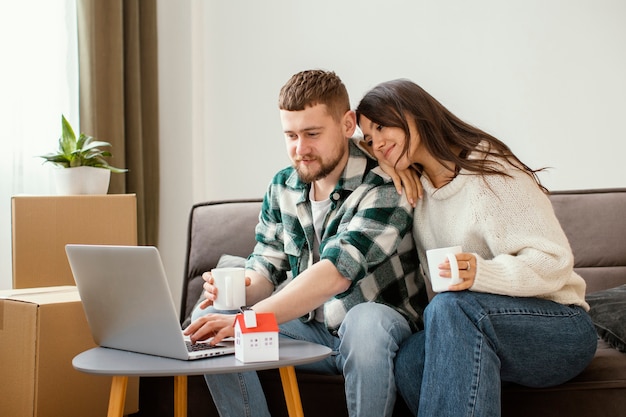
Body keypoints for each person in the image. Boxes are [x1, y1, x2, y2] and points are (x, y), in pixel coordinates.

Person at [184, 70, 427, 417]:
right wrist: (237, 290)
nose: (300, 149)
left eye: (312, 134)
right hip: (309, 329)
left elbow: (336, 273)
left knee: (365, 321)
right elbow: (266, 269)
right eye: (291, 135)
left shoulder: (384, 185)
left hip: (375, 334)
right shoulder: (283, 186)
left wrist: (248, 321)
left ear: (346, 124)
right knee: (209, 316)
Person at [355, 78, 598, 417]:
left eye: (381, 127)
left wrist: (481, 273)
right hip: (478, 326)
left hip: (558, 326)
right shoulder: (419, 191)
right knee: (411, 359)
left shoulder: (490, 172)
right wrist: (384, 163)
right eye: (368, 137)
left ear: (413, 112)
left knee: (450, 308)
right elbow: (344, 144)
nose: (377, 143)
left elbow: (553, 260)